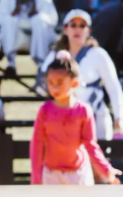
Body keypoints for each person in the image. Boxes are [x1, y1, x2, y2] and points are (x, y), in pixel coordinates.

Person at [29, 52, 121, 185]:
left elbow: (91, 144)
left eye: (59, 82)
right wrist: (36, 177)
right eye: (50, 82)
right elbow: (37, 145)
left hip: (79, 176)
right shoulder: (44, 111)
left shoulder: (84, 111)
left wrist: (106, 170)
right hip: (51, 175)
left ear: (74, 83)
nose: (54, 87)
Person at [40, 9, 123, 142]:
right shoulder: (56, 55)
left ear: (89, 30)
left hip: (95, 119)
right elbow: (42, 82)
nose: (77, 29)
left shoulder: (98, 54)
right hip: (64, 119)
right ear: (65, 29)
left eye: (82, 26)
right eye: (73, 25)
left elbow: (113, 87)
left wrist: (119, 117)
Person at [0, 0, 58, 75]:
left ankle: (41, 65)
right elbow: (0, 19)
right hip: (15, 37)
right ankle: (11, 63)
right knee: (9, 20)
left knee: (39, 20)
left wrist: (37, 14)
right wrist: (14, 13)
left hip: (37, 36)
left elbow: (53, 18)